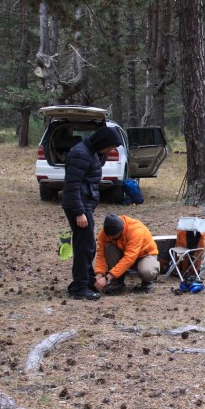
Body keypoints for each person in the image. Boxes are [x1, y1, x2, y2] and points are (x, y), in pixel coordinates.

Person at [62, 126, 122, 300]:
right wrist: (79, 212)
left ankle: (86, 281)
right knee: (84, 247)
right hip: (78, 206)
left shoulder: (91, 151)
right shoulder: (81, 153)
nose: (110, 150)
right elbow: (71, 185)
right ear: (102, 141)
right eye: (110, 146)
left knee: (88, 245)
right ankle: (80, 288)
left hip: (84, 203)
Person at [93, 214, 160, 294]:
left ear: (122, 230)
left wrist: (107, 278)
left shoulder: (135, 230)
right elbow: (101, 255)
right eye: (109, 236)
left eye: (114, 236)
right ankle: (117, 282)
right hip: (125, 254)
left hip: (144, 255)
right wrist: (99, 274)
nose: (111, 238)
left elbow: (129, 258)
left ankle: (147, 282)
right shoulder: (103, 233)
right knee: (108, 247)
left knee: (147, 272)